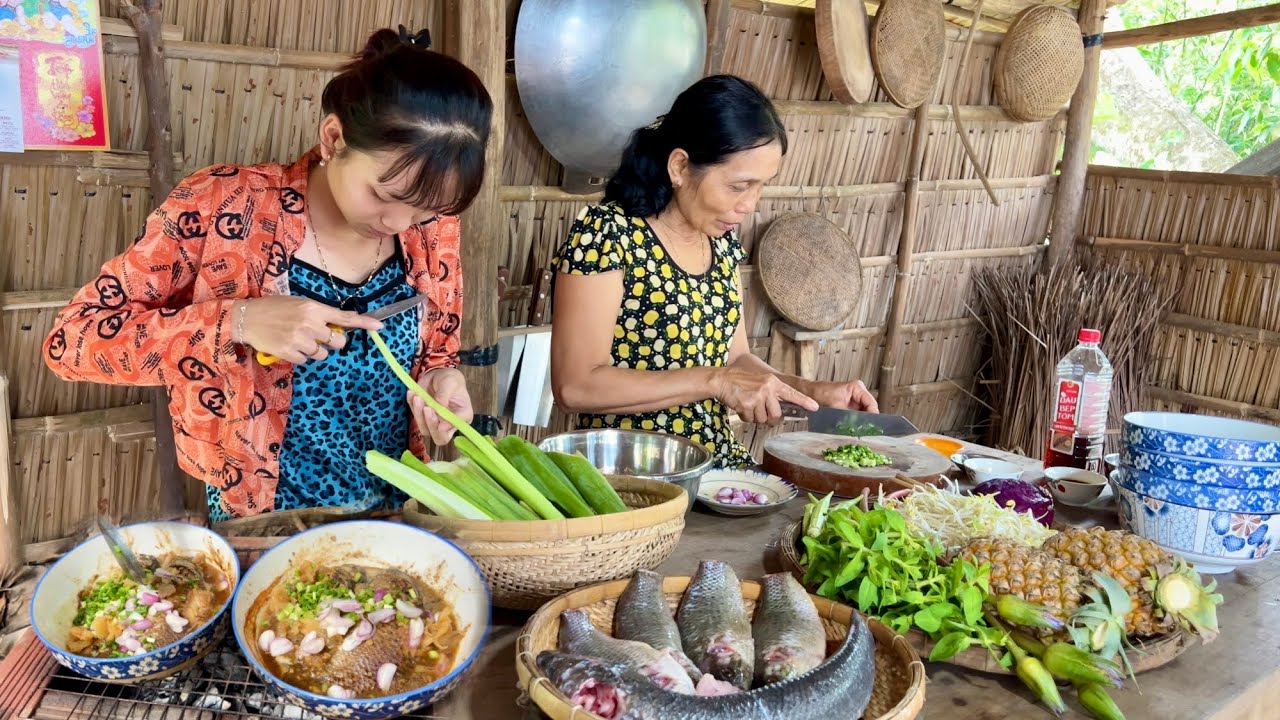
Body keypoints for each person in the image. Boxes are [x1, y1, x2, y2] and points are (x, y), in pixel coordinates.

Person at [43, 27, 492, 520]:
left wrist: (440, 377)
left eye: (426, 210)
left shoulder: (433, 230)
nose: (399, 224)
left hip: (400, 516)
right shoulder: (223, 206)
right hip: (264, 524)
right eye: (385, 196)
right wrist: (238, 322)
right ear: (333, 137)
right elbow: (73, 340)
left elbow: (436, 350)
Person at [549, 75, 879, 468]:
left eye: (761, 187)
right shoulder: (607, 236)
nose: (750, 205)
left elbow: (736, 358)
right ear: (681, 166)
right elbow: (576, 386)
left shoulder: (721, 244)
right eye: (739, 186)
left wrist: (809, 393)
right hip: (632, 476)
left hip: (715, 469)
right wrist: (714, 381)